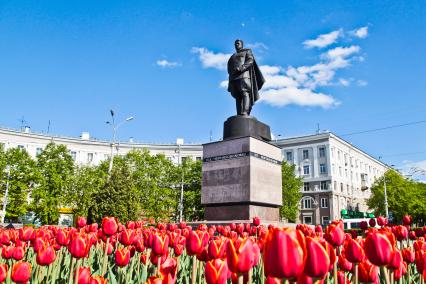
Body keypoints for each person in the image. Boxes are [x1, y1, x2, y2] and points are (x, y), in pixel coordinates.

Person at [227, 39, 265, 116]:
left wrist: (242, 68)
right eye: (235, 44)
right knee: (237, 96)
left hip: (244, 76)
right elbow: (229, 67)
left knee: (245, 92)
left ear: (242, 44)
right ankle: (239, 114)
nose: (236, 45)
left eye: (238, 43)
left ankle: (245, 111)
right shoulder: (232, 56)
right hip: (233, 78)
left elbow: (250, 61)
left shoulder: (247, 51)